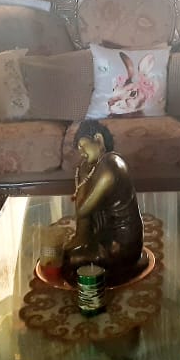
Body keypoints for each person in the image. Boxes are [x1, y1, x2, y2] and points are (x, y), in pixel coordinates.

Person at [63, 120, 145, 285]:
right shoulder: (98, 166)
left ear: (98, 139)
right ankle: (85, 242)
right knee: (66, 255)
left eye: (83, 146)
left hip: (122, 247)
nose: (82, 154)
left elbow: (83, 210)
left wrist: (83, 175)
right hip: (106, 237)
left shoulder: (111, 166)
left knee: (71, 260)